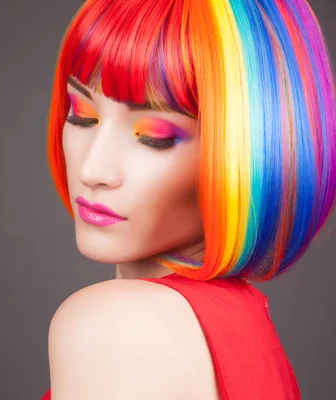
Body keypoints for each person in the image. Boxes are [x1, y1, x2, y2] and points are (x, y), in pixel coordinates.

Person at [41, 0, 336, 398]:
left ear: (247, 153)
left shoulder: (116, 329)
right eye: (81, 115)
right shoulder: (243, 327)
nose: (92, 170)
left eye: (154, 136)